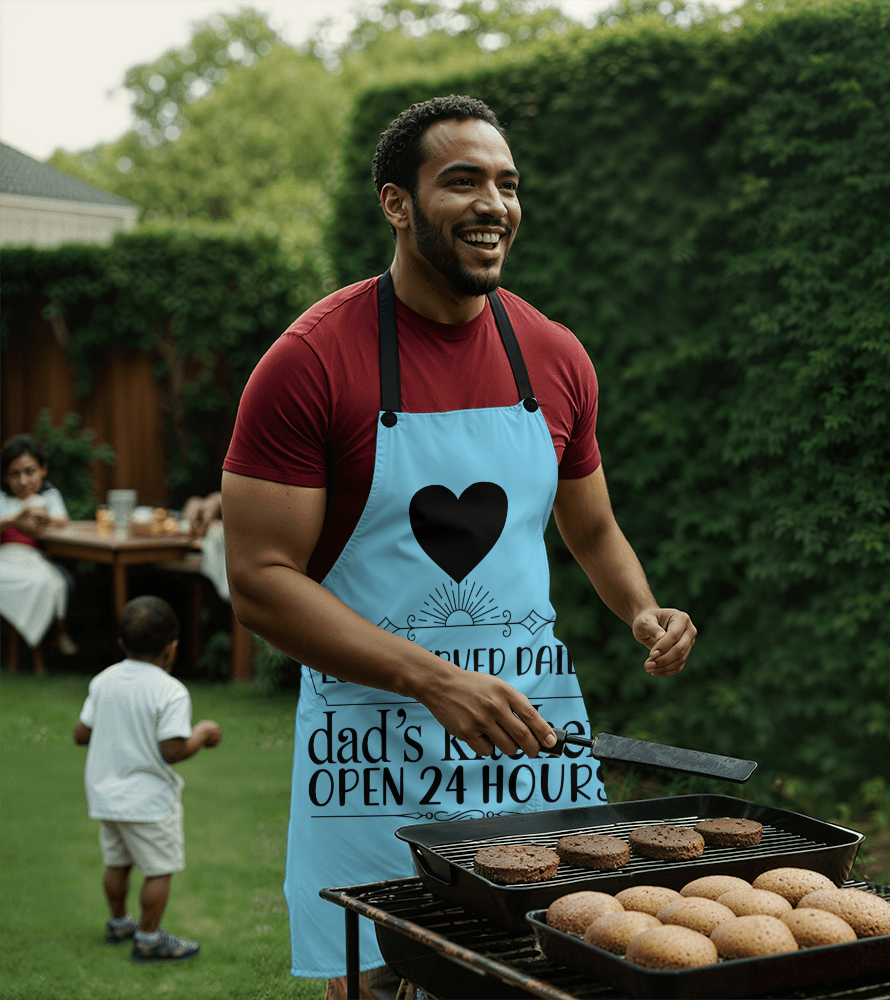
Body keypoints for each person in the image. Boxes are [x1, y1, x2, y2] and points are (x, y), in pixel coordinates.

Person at [221, 94, 697, 991]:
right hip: (369, 745)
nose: (495, 205)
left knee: (544, 962)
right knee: (376, 973)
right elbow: (259, 582)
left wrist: (642, 608)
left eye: (507, 185)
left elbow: (589, 523)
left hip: (528, 734)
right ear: (397, 203)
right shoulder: (311, 362)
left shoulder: (556, 356)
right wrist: (434, 680)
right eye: (463, 181)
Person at [73, 594, 223, 964]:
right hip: (148, 801)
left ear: (122, 643)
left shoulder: (104, 680)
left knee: (117, 862)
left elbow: (80, 733)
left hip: (106, 795)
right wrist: (202, 734)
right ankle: (149, 938)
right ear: (171, 648)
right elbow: (171, 749)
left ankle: (119, 922)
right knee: (158, 868)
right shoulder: (169, 690)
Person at [0, 434, 78, 674]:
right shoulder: (3, 499)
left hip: (34, 558)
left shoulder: (49, 497)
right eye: (15, 474)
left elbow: (63, 521)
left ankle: (57, 631)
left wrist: (45, 520)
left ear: (43, 470)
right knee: (40, 583)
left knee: (50, 582)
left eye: (30, 471)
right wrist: (17, 518)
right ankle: (54, 632)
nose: (23, 481)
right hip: (6, 558)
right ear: (6, 476)